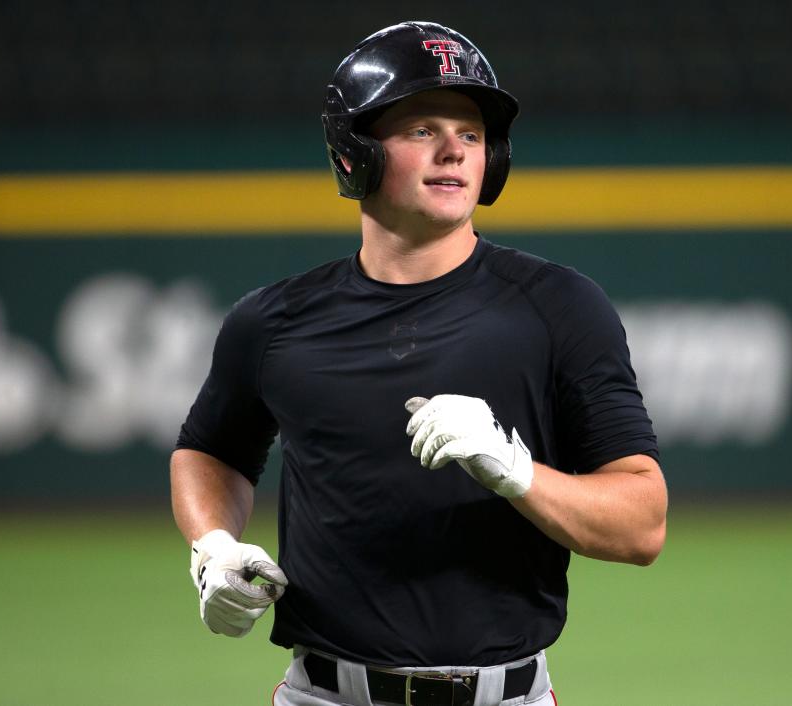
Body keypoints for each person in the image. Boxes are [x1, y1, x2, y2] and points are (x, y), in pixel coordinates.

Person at [171, 21, 667, 706]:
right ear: (354, 155)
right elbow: (208, 450)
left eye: (470, 133)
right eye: (420, 130)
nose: (453, 153)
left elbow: (643, 521)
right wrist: (213, 545)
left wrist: (518, 473)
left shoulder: (560, 308)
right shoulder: (274, 322)